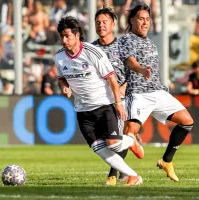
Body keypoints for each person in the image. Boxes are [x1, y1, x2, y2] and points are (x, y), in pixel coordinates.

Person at [55, 16, 143, 186]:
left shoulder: (92, 52)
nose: (64, 40)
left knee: (114, 145)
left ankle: (131, 141)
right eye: (62, 36)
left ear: (77, 35)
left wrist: (118, 104)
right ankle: (133, 176)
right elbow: (61, 78)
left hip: (104, 105)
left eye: (67, 36)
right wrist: (64, 86)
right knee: (100, 149)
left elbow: (112, 80)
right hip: (82, 110)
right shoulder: (59, 57)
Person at [118, 4, 194, 182]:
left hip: (158, 92)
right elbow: (130, 62)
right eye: (140, 18)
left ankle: (166, 161)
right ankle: (117, 175)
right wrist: (141, 69)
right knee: (130, 134)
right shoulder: (127, 39)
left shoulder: (150, 41)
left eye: (147, 19)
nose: (145, 22)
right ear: (132, 20)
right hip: (138, 93)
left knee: (187, 121)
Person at [92, 7, 144, 186]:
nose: (101, 25)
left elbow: (135, 72)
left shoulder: (122, 46)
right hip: (100, 100)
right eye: (98, 22)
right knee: (106, 141)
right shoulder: (91, 49)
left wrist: (122, 88)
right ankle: (131, 141)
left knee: (113, 138)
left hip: (121, 98)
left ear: (113, 24)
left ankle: (113, 175)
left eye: (105, 22)